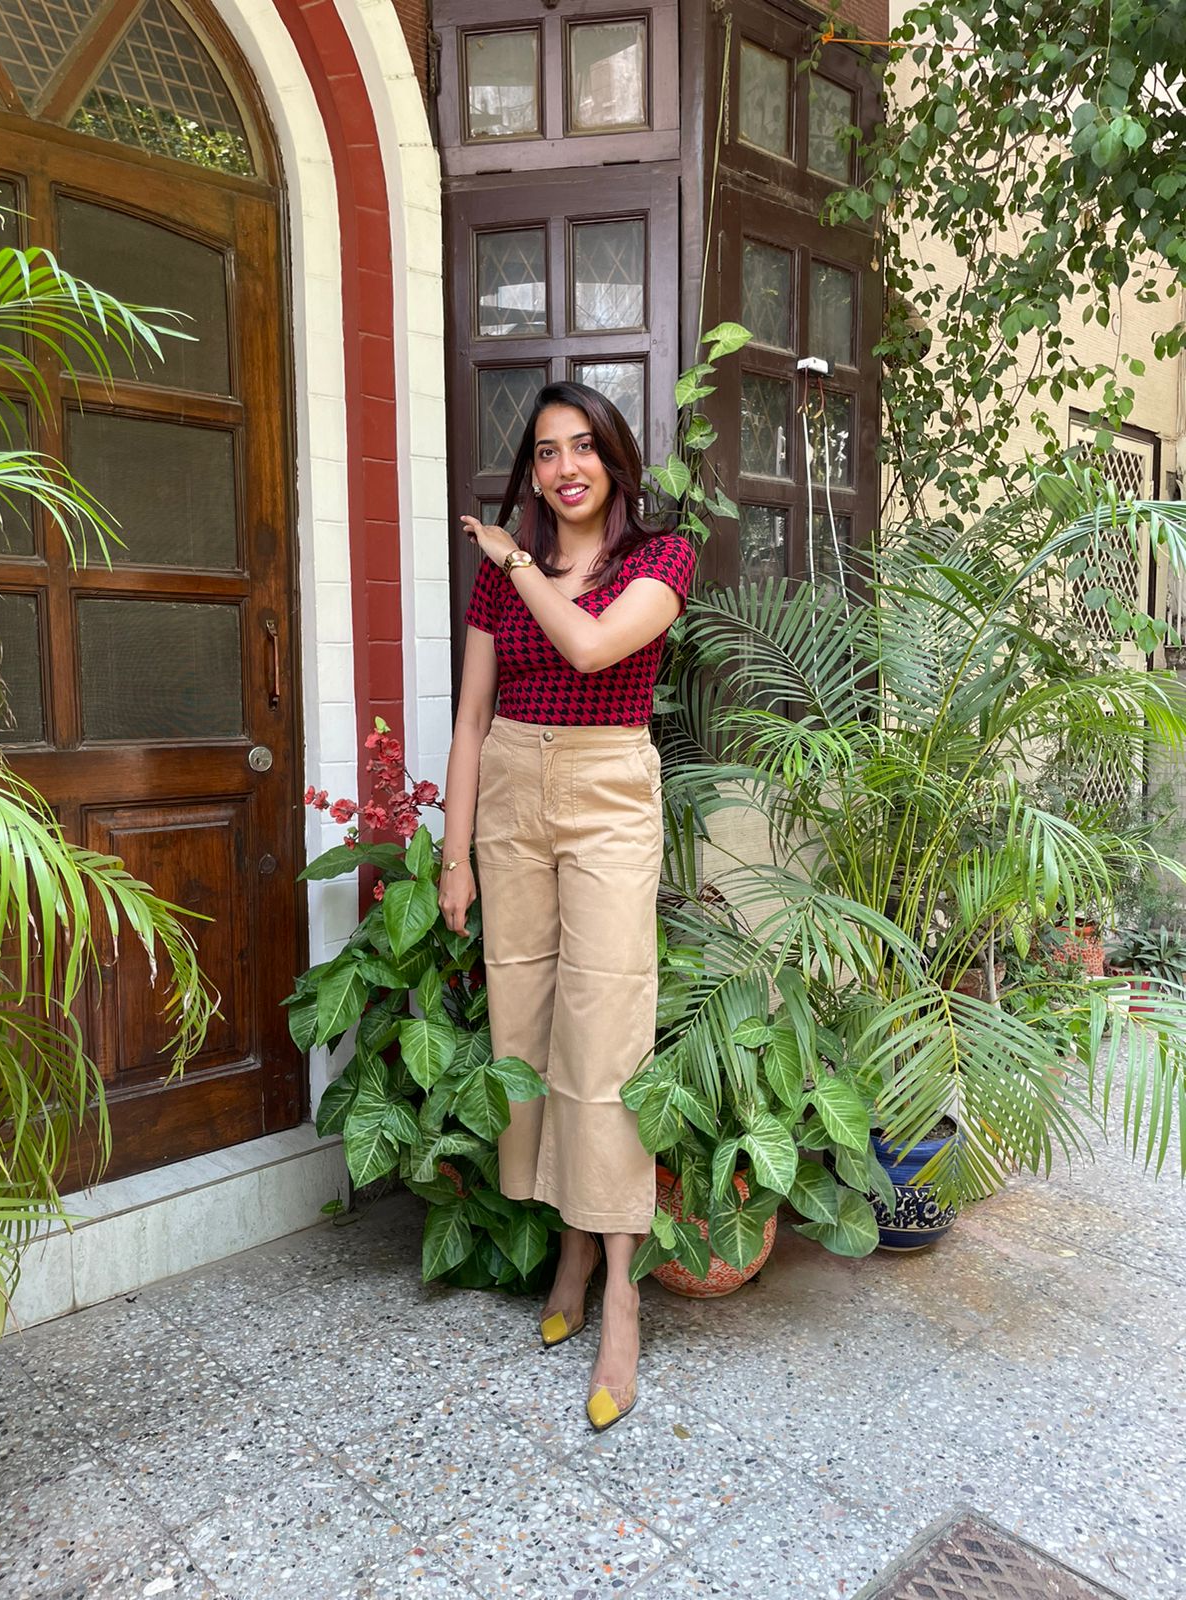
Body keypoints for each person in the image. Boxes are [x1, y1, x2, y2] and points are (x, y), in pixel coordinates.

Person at [438, 381, 696, 1432]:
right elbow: (470, 720)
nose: (565, 466)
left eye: (582, 445)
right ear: (533, 473)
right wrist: (454, 858)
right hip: (511, 787)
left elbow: (592, 648)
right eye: (545, 452)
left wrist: (511, 560)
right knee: (530, 1024)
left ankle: (621, 1290)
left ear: (612, 457)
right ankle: (573, 1247)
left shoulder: (659, 559)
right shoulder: (504, 578)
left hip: (606, 794)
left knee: (606, 1035)